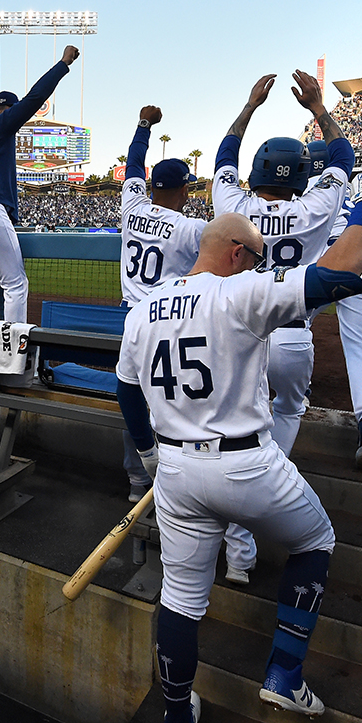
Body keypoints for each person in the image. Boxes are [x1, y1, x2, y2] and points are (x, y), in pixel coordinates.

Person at [116, 172, 362, 723]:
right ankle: (285, 675)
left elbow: (125, 391)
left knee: (181, 602)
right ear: (236, 252)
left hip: (176, 471)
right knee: (316, 542)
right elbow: (342, 272)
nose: (259, 267)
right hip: (246, 465)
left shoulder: (142, 311)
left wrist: (147, 455)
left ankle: (175, 720)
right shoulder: (239, 291)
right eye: (256, 257)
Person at [209, 72, 353, 585]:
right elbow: (343, 159)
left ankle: (237, 552)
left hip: (238, 335)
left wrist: (249, 106)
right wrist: (319, 107)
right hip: (291, 334)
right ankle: (267, 476)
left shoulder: (234, 207)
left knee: (231, 429)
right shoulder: (315, 207)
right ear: (299, 177)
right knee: (288, 409)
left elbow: (225, 156)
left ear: (259, 172)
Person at [0, 46, 79, 324]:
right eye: (11, 108)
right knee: (15, 285)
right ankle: (12, 358)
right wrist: (63, 64)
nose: (17, 114)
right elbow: (34, 99)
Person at [119, 104, 205, 503]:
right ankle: (171, 484)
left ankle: (138, 482)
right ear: (185, 189)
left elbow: (135, 160)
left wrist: (143, 125)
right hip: (164, 321)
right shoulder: (190, 229)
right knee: (169, 399)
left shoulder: (132, 206)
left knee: (132, 397)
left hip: (129, 319)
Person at [309, 140, 362, 470]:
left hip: (329, 260)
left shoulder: (308, 188)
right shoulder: (349, 186)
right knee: (359, 347)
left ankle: (296, 392)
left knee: (292, 325)